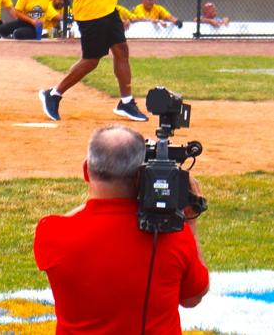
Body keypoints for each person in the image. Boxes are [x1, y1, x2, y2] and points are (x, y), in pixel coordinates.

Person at [34, 125, 209, 334]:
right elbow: (193, 297)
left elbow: (76, 220)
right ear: (141, 177)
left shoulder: (51, 233)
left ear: (85, 171)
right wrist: (189, 221)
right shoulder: (173, 236)